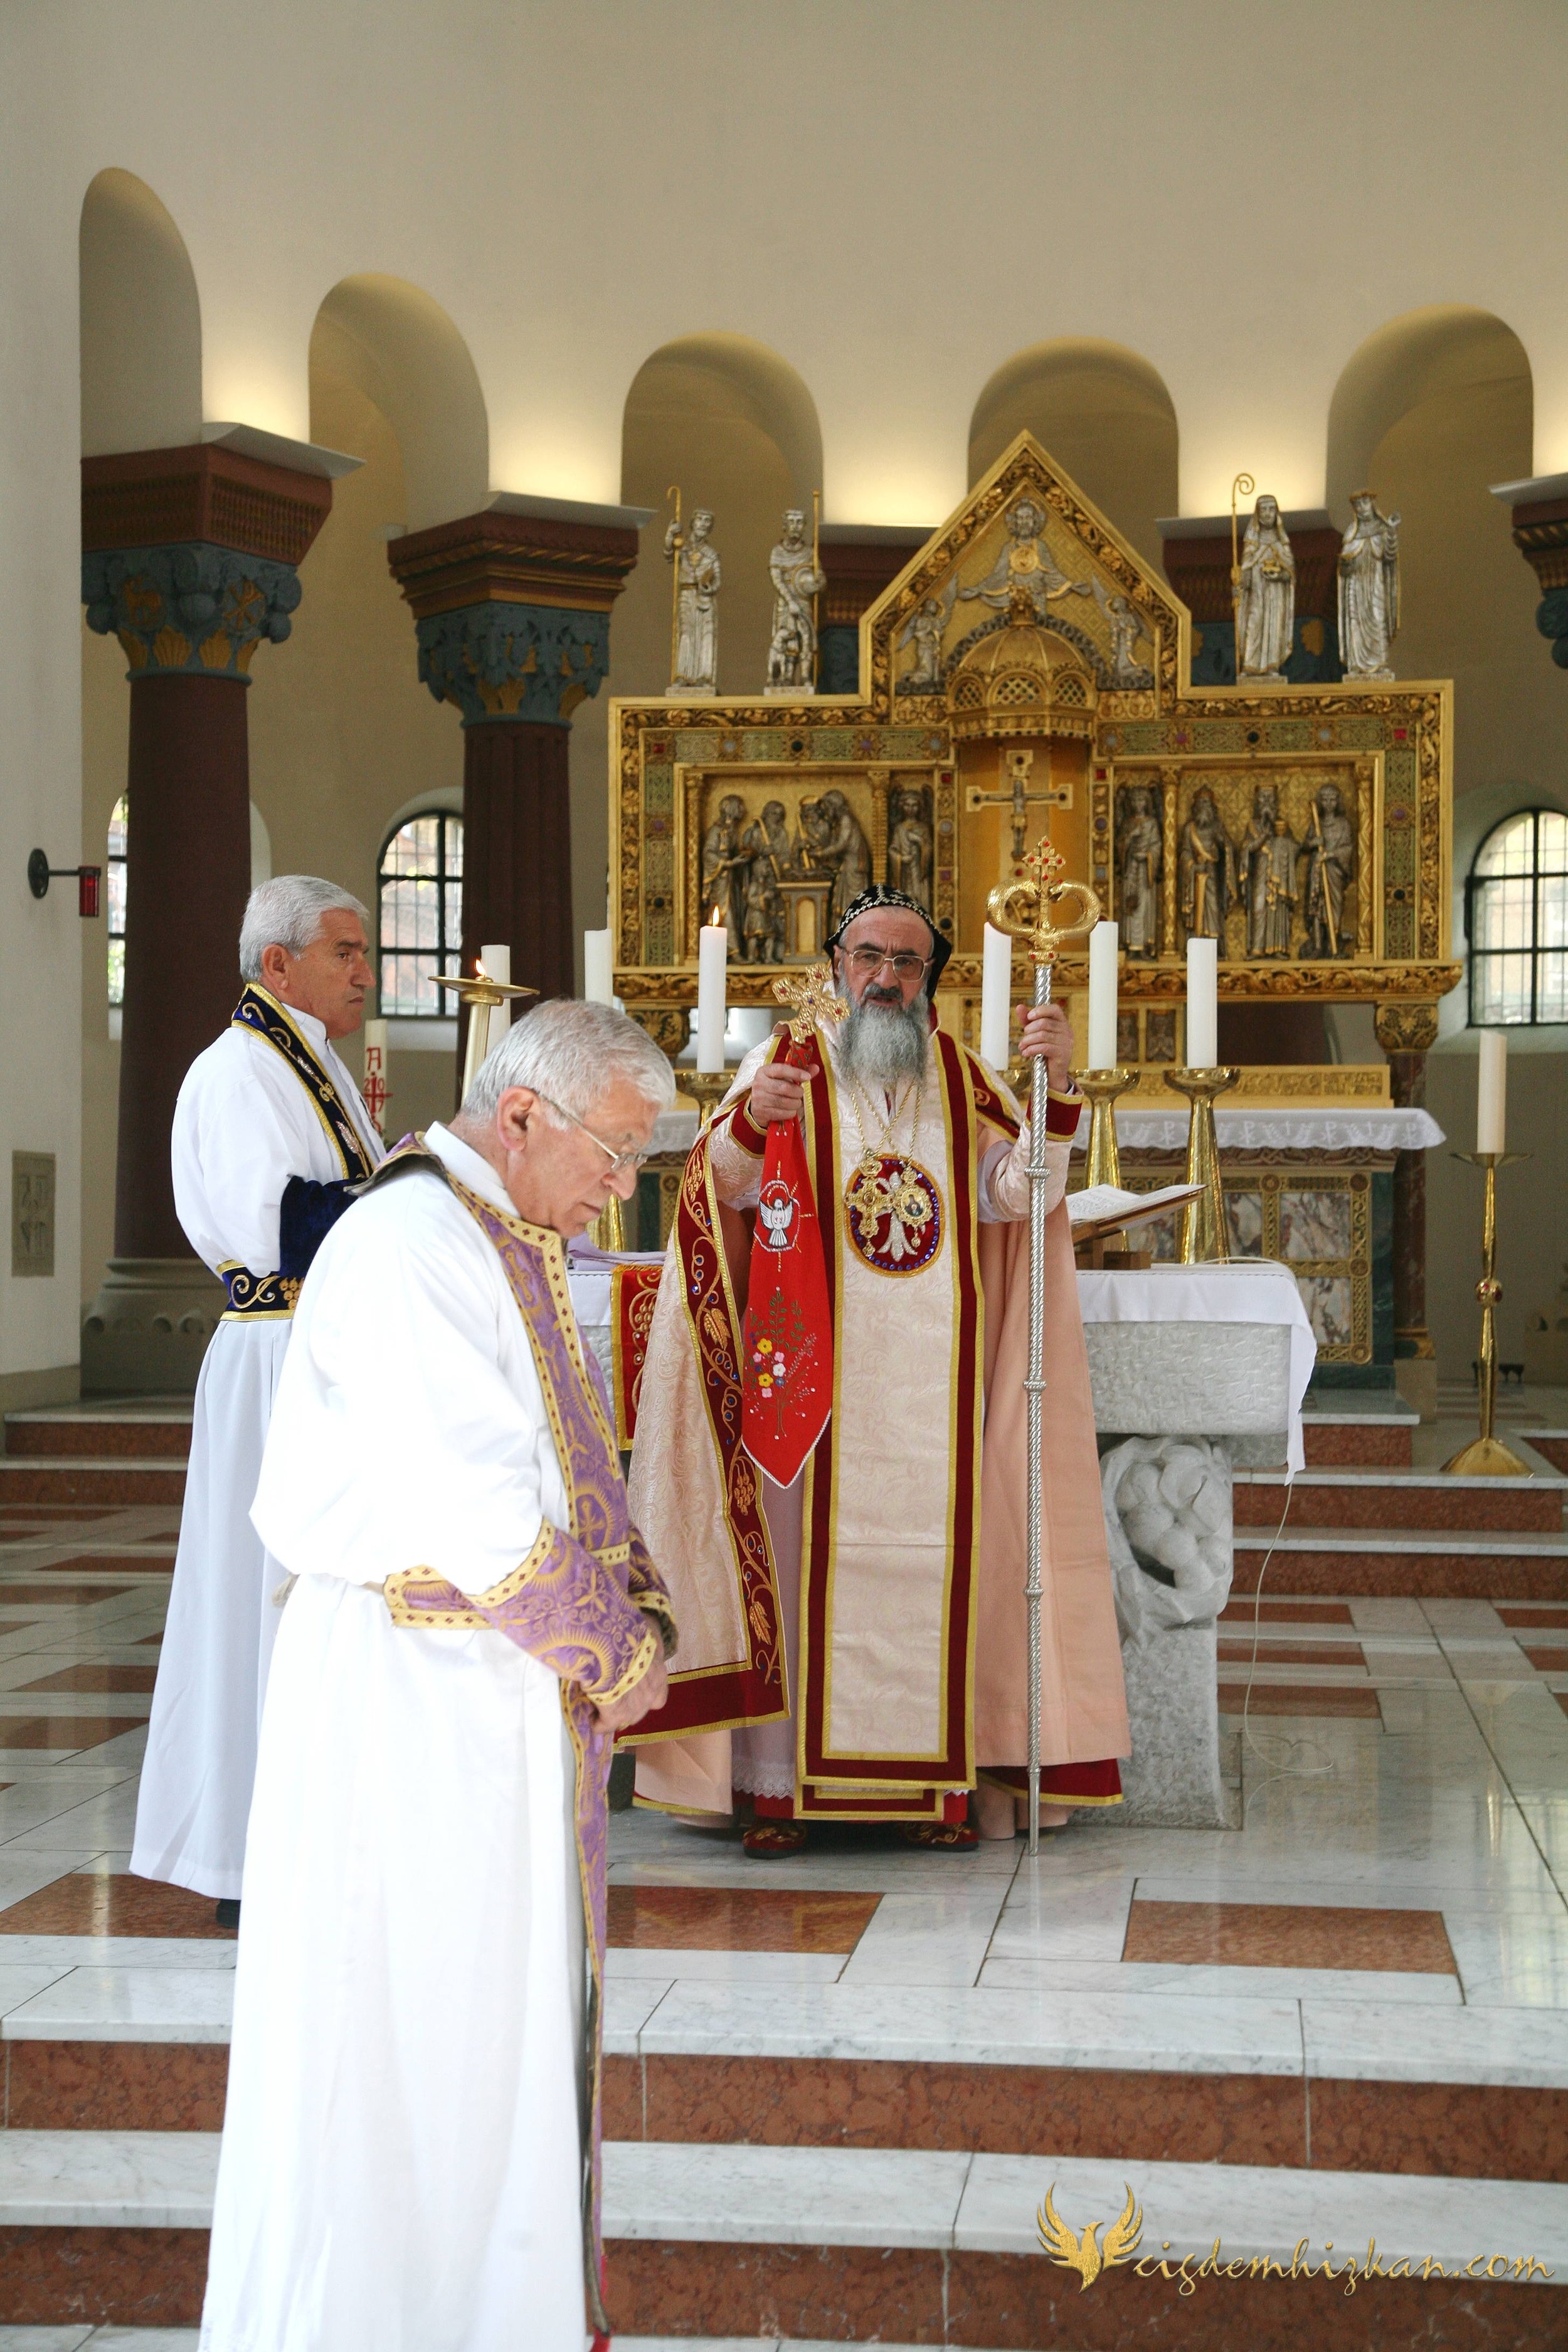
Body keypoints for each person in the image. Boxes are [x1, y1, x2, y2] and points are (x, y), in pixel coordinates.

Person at [199, 1000, 677, 2352]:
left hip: (477, 1695)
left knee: (477, 2053)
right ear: (521, 1114)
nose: (621, 1184)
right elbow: (478, 1511)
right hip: (409, 1708)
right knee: (405, 2052)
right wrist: (614, 1644)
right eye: (615, 1150)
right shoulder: (413, 1240)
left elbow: (562, 1463)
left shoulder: (494, 1232)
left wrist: (626, 1593)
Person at [627, 884, 1128, 1853]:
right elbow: (713, 1190)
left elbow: (1017, 1196)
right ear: (836, 969)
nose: (885, 979)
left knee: (940, 1572)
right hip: (808, 1393)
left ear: (930, 983)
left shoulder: (967, 1078)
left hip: (933, 1399)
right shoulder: (784, 1065)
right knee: (794, 1573)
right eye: (868, 958)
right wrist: (742, 1128)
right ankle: (780, 1796)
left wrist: (1051, 1093)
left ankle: (934, 1793)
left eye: (906, 963)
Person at [130, 876, 383, 1918]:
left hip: (319, 1355)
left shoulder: (306, 1062)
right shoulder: (236, 1071)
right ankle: (249, 1857)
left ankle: (325, 1839)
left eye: (366, 952)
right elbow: (288, 1225)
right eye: (344, 952)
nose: (365, 971)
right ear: (276, 965)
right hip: (276, 1360)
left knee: (327, 1597)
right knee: (267, 1597)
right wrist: (413, 1187)